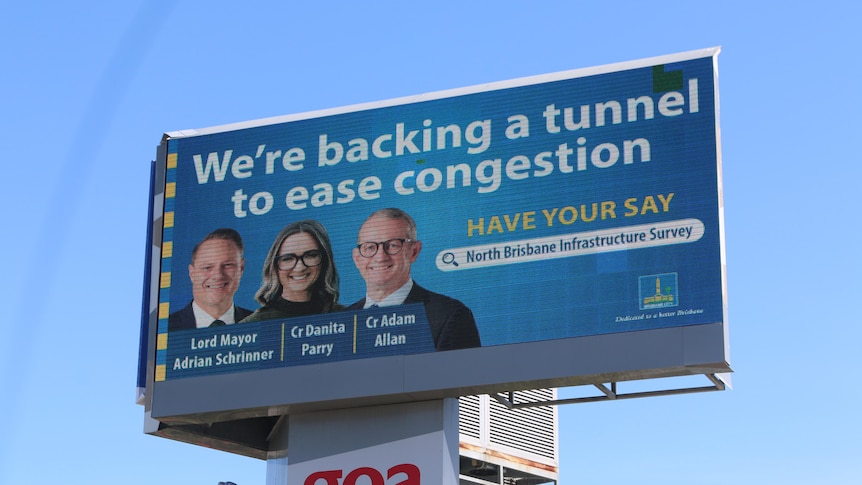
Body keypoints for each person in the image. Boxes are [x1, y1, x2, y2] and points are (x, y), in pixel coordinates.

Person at [349, 208, 481, 351]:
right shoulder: (340, 322)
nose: (380, 257)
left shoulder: (448, 316)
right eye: (369, 247)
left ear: (414, 252)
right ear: (357, 259)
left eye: (393, 245)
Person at [241, 220, 343, 322]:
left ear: (325, 260)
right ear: (275, 265)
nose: (300, 267)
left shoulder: (345, 316)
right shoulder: (252, 325)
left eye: (310, 255)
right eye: (288, 258)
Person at [169, 228, 252, 331]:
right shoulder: (165, 330)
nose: (218, 275)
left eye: (227, 265)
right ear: (192, 273)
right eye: (207, 267)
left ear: (241, 268)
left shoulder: (259, 323)